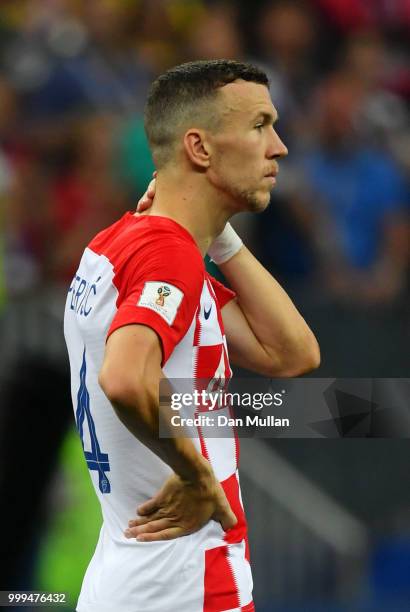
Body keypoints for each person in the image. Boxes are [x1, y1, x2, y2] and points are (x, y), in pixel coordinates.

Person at [64, 59, 320, 612]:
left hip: (127, 574)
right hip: (186, 581)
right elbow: (126, 378)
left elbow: (292, 352)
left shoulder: (125, 242)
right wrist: (196, 474)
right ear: (200, 148)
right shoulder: (167, 256)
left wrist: (219, 236)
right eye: (259, 126)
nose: (278, 147)